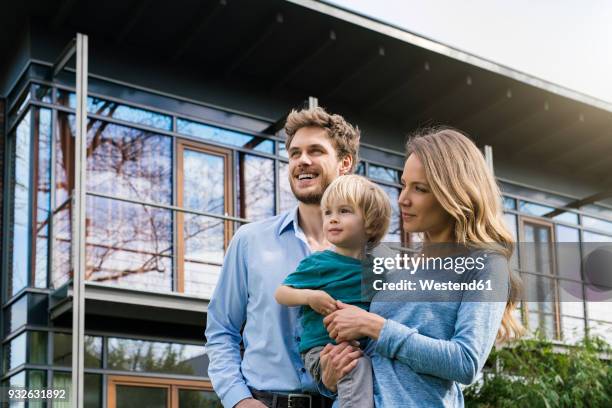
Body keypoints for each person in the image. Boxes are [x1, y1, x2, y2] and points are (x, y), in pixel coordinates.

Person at [319, 127, 524, 407]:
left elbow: (466, 362)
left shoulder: (486, 265)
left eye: (420, 189)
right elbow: (373, 358)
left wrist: (374, 326)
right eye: (404, 184)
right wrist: (330, 374)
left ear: (452, 194)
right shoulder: (395, 267)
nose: (403, 198)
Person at [205, 107, 362, 408]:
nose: (302, 160)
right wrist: (238, 400)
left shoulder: (373, 253)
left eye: (315, 151)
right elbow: (220, 329)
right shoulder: (249, 240)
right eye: (294, 153)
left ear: (344, 163)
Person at [275, 175, 392, 408]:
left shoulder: (379, 271)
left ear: (371, 223)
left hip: (363, 347)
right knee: (356, 367)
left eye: (344, 211)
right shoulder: (319, 264)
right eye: (327, 213)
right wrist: (310, 296)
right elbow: (281, 293)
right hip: (322, 350)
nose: (332, 219)